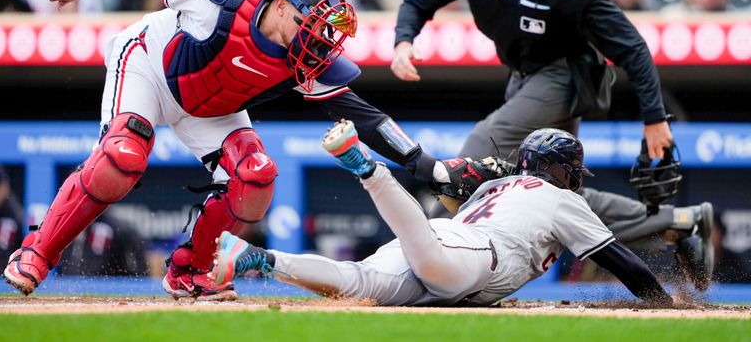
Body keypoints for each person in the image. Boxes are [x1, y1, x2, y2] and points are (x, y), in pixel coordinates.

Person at [3, 0, 463, 301]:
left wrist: (425, 164)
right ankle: (37, 252)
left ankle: (190, 272)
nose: (317, 40)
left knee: (257, 176)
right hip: (149, 65)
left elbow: (366, 116)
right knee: (123, 156)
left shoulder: (306, 56)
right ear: (282, 8)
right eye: (310, 25)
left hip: (212, 109)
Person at [390, 0, 714, 291]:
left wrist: (655, 118)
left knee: (479, 149)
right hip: (523, 75)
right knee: (552, 196)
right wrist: (404, 40)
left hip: (567, 75)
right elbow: (418, 0)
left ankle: (441, 259)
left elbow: (631, 46)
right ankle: (680, 223)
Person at [211, 121, 674, 308]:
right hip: (468, 257)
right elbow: (622, 262)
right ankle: (365, 167)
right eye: (572, 171)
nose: (577, 179)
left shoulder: (497, 184)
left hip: (446, 236)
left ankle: (259, 258)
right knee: (428, 264)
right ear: (559, 170)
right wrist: (665, 304)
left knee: (358, 286)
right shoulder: (561, 198)